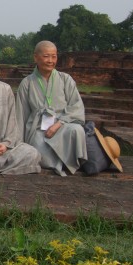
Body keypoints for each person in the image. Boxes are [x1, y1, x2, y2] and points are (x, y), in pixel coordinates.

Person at [15, 41, 87, 176]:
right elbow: (21, 115)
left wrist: (58, 124)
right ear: (36, 57)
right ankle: (59, 163)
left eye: (54, 56)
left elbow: (76, 107)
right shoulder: (27, 83)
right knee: (38, 153)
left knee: (77, 130)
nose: (50, 61)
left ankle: (68, 162)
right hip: (38, 129)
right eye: (46, 56)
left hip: (63, 125)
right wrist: (18, 145)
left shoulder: (65, 79)